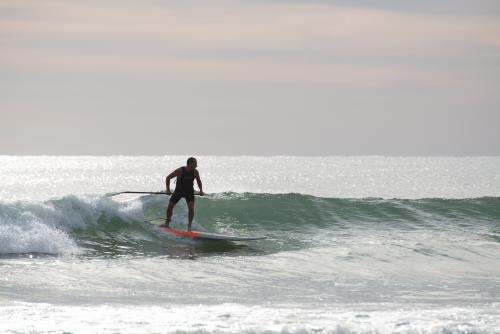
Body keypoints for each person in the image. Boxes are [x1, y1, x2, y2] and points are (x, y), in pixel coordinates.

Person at [160, 157, 204, 231]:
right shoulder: (180, 170)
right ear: (190, 164)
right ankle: (167, 224)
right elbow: (168, 178)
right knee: (170, 206)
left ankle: (189, 226)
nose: (196, 166)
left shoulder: (195, 172)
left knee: (191, 208)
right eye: (195, 164)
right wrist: (168, 189)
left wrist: (201, 190)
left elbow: (198, 181)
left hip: (189, 192)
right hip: (178, 191)